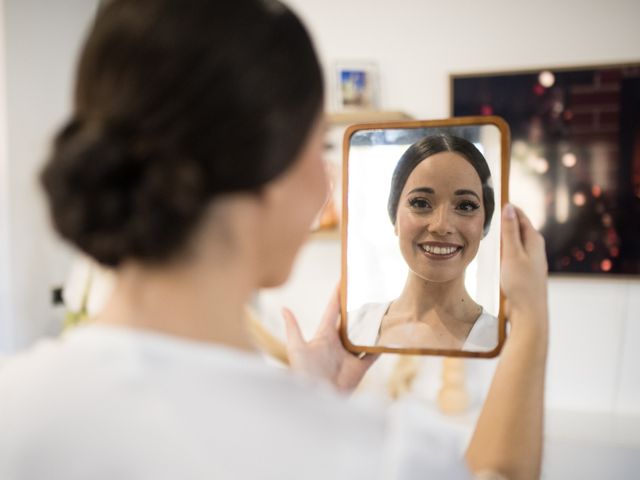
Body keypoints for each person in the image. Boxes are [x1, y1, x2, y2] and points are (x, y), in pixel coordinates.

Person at [0, 0, 549, 479]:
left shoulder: (15, 410)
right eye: (318, 149)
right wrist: (531, 323)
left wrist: (315, 399)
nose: (326, 181)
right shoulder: (370, 457)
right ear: (270, 171)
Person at [349, 134, 498, 352]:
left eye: (465, 206)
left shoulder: (506, 341)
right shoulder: (351, 329)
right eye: (420, 202)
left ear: (485, 223)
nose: (441, 225)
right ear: (394, 217)